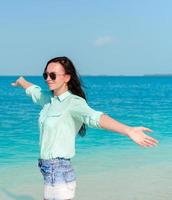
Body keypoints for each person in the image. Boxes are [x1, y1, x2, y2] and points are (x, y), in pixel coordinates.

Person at [11, 56, 159, 200]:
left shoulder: (74, 102)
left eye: (53, 75)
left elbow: (95, 117)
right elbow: (34, 91)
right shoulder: (49, 99)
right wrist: (22, 81)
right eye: (46, 75)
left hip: (58, 169)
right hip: (49, 169)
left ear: (67, 78)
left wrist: (128, 130)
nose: (48, 78)